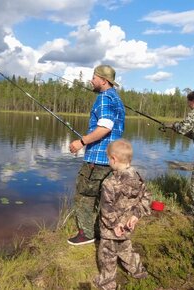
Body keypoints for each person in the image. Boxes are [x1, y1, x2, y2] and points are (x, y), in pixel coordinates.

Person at [68, 65, 125, 246]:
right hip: (113, 158)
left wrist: (81, 142)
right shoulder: (117, 99)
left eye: (94, 77)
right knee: (106, 198)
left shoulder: (103, 98)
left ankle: (86, 234)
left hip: (98, 159)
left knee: (84, 195)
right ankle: (106, 232)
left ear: (103, 80)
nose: (91, 81)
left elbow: (105, 126)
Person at [93, 139, 151, 290]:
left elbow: (106, 209)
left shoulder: (109, 183)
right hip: (128, 226)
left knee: (107, 256)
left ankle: (107, 283)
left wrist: (114, 225)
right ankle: (138, 272)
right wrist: (136, 215)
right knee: (126, 250)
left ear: (114, 159)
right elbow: (146, 198)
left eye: (108, 159)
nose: (108, 162)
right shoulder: (138, 177)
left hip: (111, 230)